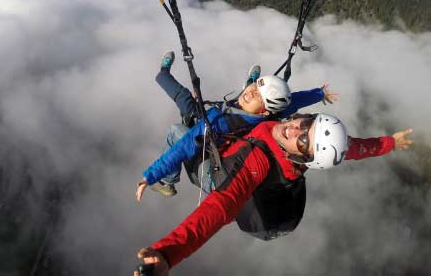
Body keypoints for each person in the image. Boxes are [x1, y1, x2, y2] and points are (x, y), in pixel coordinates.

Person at [133, 113, 413, 275]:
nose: (294, 128)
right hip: (254, 183)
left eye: (302, 139)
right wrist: (390, 143)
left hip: (215, 176)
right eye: (306, 121)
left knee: (180, 133)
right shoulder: (307, 148)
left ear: (303, 157)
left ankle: (166, 182)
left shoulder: (259, 161)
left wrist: (168, 253)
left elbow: (219, 209)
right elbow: (354, 148)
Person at [138, 51, 337, 199]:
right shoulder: (272, 113)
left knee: (176, 129)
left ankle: (166, 183)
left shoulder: (220, 123)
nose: (251, 92)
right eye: (255, 86)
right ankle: (163, 73)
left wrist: (152, 176)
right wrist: (319, 93)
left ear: (264, 111)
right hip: (220, 141)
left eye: (258, 95)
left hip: (212, 173)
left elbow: (183, 148)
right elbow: (295, 100)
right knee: (192, 103)